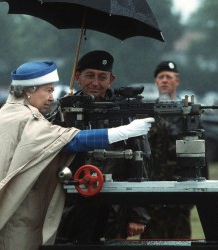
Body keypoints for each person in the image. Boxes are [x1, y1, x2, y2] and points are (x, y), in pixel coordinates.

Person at [0, 61, 154, 250]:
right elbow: (70, 140)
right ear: (29, 91)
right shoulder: (24, 118)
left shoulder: (6, 114)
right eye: (48, 90)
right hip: (14, 217)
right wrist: (124, 132)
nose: (51, 97)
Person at [56, 50, 150, 243]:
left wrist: (137, 214)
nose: (95, 83)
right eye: (89, 76)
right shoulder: (64, 112)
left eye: (102, 77)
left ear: (111, 80)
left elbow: (142, 161)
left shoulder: (123, 113)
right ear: (78, 77)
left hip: (114, 206)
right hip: (70, 205)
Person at [141, 61, 194, 239]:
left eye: (168, 77)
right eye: (160, 77)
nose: (164, 81)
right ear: (155, 81)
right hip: (152, 193)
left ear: (177, 81)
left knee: (181, 242)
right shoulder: (147, 114)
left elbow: (200, 155)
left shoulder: (188, 114)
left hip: (181, 192)